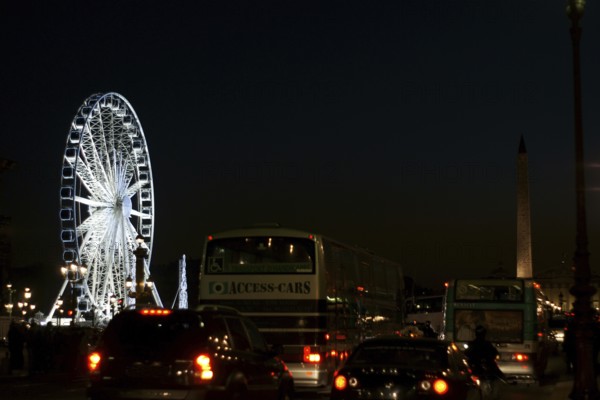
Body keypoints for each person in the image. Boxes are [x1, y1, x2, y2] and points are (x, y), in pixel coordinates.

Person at [464, 325, 504, 399]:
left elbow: (494, 354)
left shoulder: (478, 344)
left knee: (497, 376)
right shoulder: (484, 344)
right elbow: (466, 355)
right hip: (477, 368)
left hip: (481, 368)